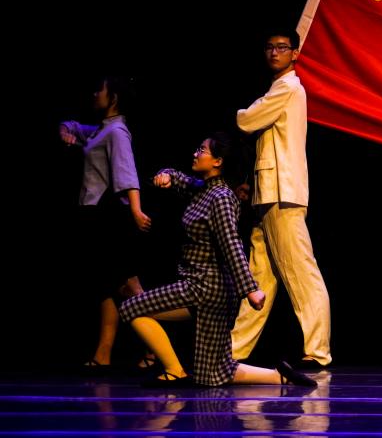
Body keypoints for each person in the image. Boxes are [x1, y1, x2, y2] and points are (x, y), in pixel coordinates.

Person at [119, 133, 315, 388]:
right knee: (213, 372)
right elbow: (180, 179)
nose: (195, 153)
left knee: (132, 308)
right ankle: (280, 376)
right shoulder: (203, 189)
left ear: (218, 161)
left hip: (206, 287)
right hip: (203, 287)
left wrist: (250, 290)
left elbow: (231, 244)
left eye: (202, 150)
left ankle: (174, 370)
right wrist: (166, 175)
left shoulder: (220, 197)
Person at [230, 29, 332, 370]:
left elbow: (247, 120)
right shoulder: (279, 88)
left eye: (282, 47)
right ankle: (234, 349)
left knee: (301, 272)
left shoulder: (287, 88)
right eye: (270, 47)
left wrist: (239, 113)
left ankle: (317, 350)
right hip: (268, 193)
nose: (275, 52)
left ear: (295, 54)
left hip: (282, 192)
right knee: (259, 278)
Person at [59, 75, 153, 371]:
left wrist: (136, 211)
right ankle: (104, 353)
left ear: (113, 97)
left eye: (99, 90)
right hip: (95, 216)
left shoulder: (116, 132)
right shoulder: (102, 130)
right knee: (106, 285)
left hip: (109, 217)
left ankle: (157, 348)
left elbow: (127, 174)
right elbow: (72, 126)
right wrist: (66, 131)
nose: (94, 94)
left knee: (128, 286)